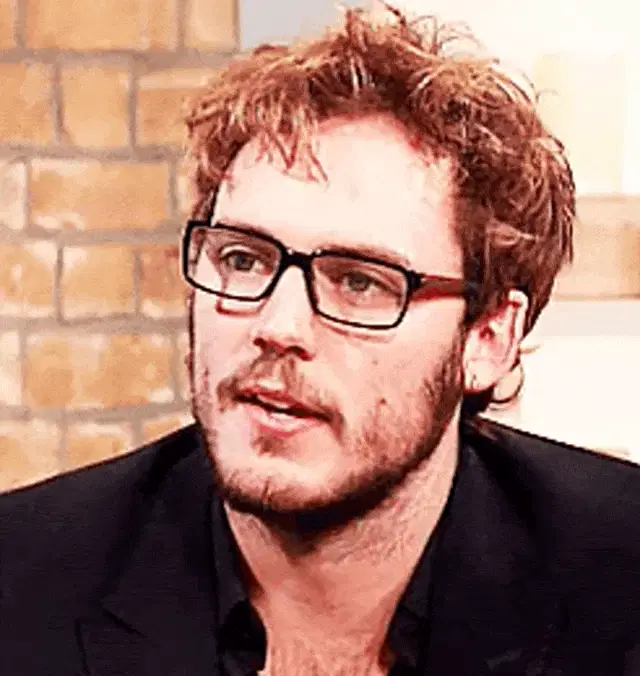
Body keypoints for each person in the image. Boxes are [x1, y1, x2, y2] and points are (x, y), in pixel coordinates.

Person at [2, 6, 639, 675]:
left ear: (487, 337)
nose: (277, 327)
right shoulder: (21, 585)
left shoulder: (621, 587)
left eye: (360, 282)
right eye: (243, 259)